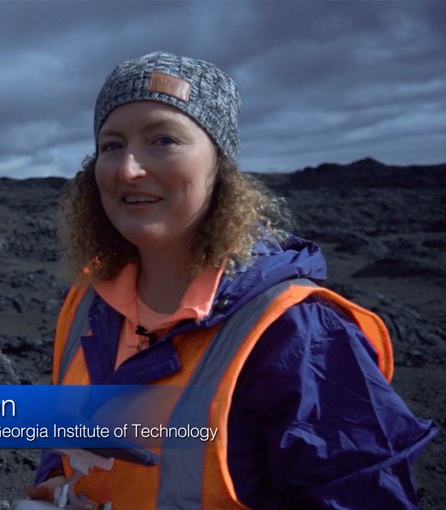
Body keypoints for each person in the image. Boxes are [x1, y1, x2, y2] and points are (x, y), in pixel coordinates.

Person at [27, 52, 436, 509]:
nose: (128, 169)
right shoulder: (86, 302)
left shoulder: (298, 334)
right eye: (112, 145)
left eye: (163, 139)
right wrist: (60, 489)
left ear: (219, 166)